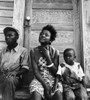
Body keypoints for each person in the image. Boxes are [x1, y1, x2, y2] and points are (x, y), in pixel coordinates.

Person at [29, 25, 63, 100]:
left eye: (46, 35)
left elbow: (55, 72)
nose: (42, 35)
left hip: (54, 80)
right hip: (39, 80)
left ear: (50, 40)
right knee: (35, 95)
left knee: (58, 95)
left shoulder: (55, 52)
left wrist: (47, 56)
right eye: (41, 34)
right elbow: (36, 72)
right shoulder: (33, 51)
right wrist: (45, 86)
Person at [0, 27, 29, 100]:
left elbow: (25, 68)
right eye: (6, 35)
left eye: (10, 35)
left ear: (17, 37)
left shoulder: (23, 51)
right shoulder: (3, 51)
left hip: (15, 79)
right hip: (2, 76)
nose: (7, 37)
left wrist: (15, 73)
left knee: (9, 80)